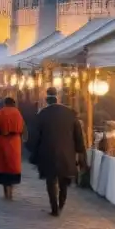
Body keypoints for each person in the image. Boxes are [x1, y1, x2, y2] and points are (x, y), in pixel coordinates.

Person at [28, 86, 86, 216]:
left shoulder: (42, 114)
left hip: (47, 152)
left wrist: (33, 153)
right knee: (63, 181)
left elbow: (35, 137)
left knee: (51, 181)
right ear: (57, 98)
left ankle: (54, 207)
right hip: (66, 153)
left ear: (47, 99)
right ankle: (61, 204)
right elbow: (78, 136)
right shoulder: (70, 114)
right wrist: (80, 152)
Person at [0, 97, 25, 200]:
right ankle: (11, 189)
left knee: (3, 165)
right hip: (15, 141)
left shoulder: (0, 113)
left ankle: (6, 191)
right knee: (13, 165)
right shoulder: (18, 114)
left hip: (2, 141)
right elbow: (23, 128)